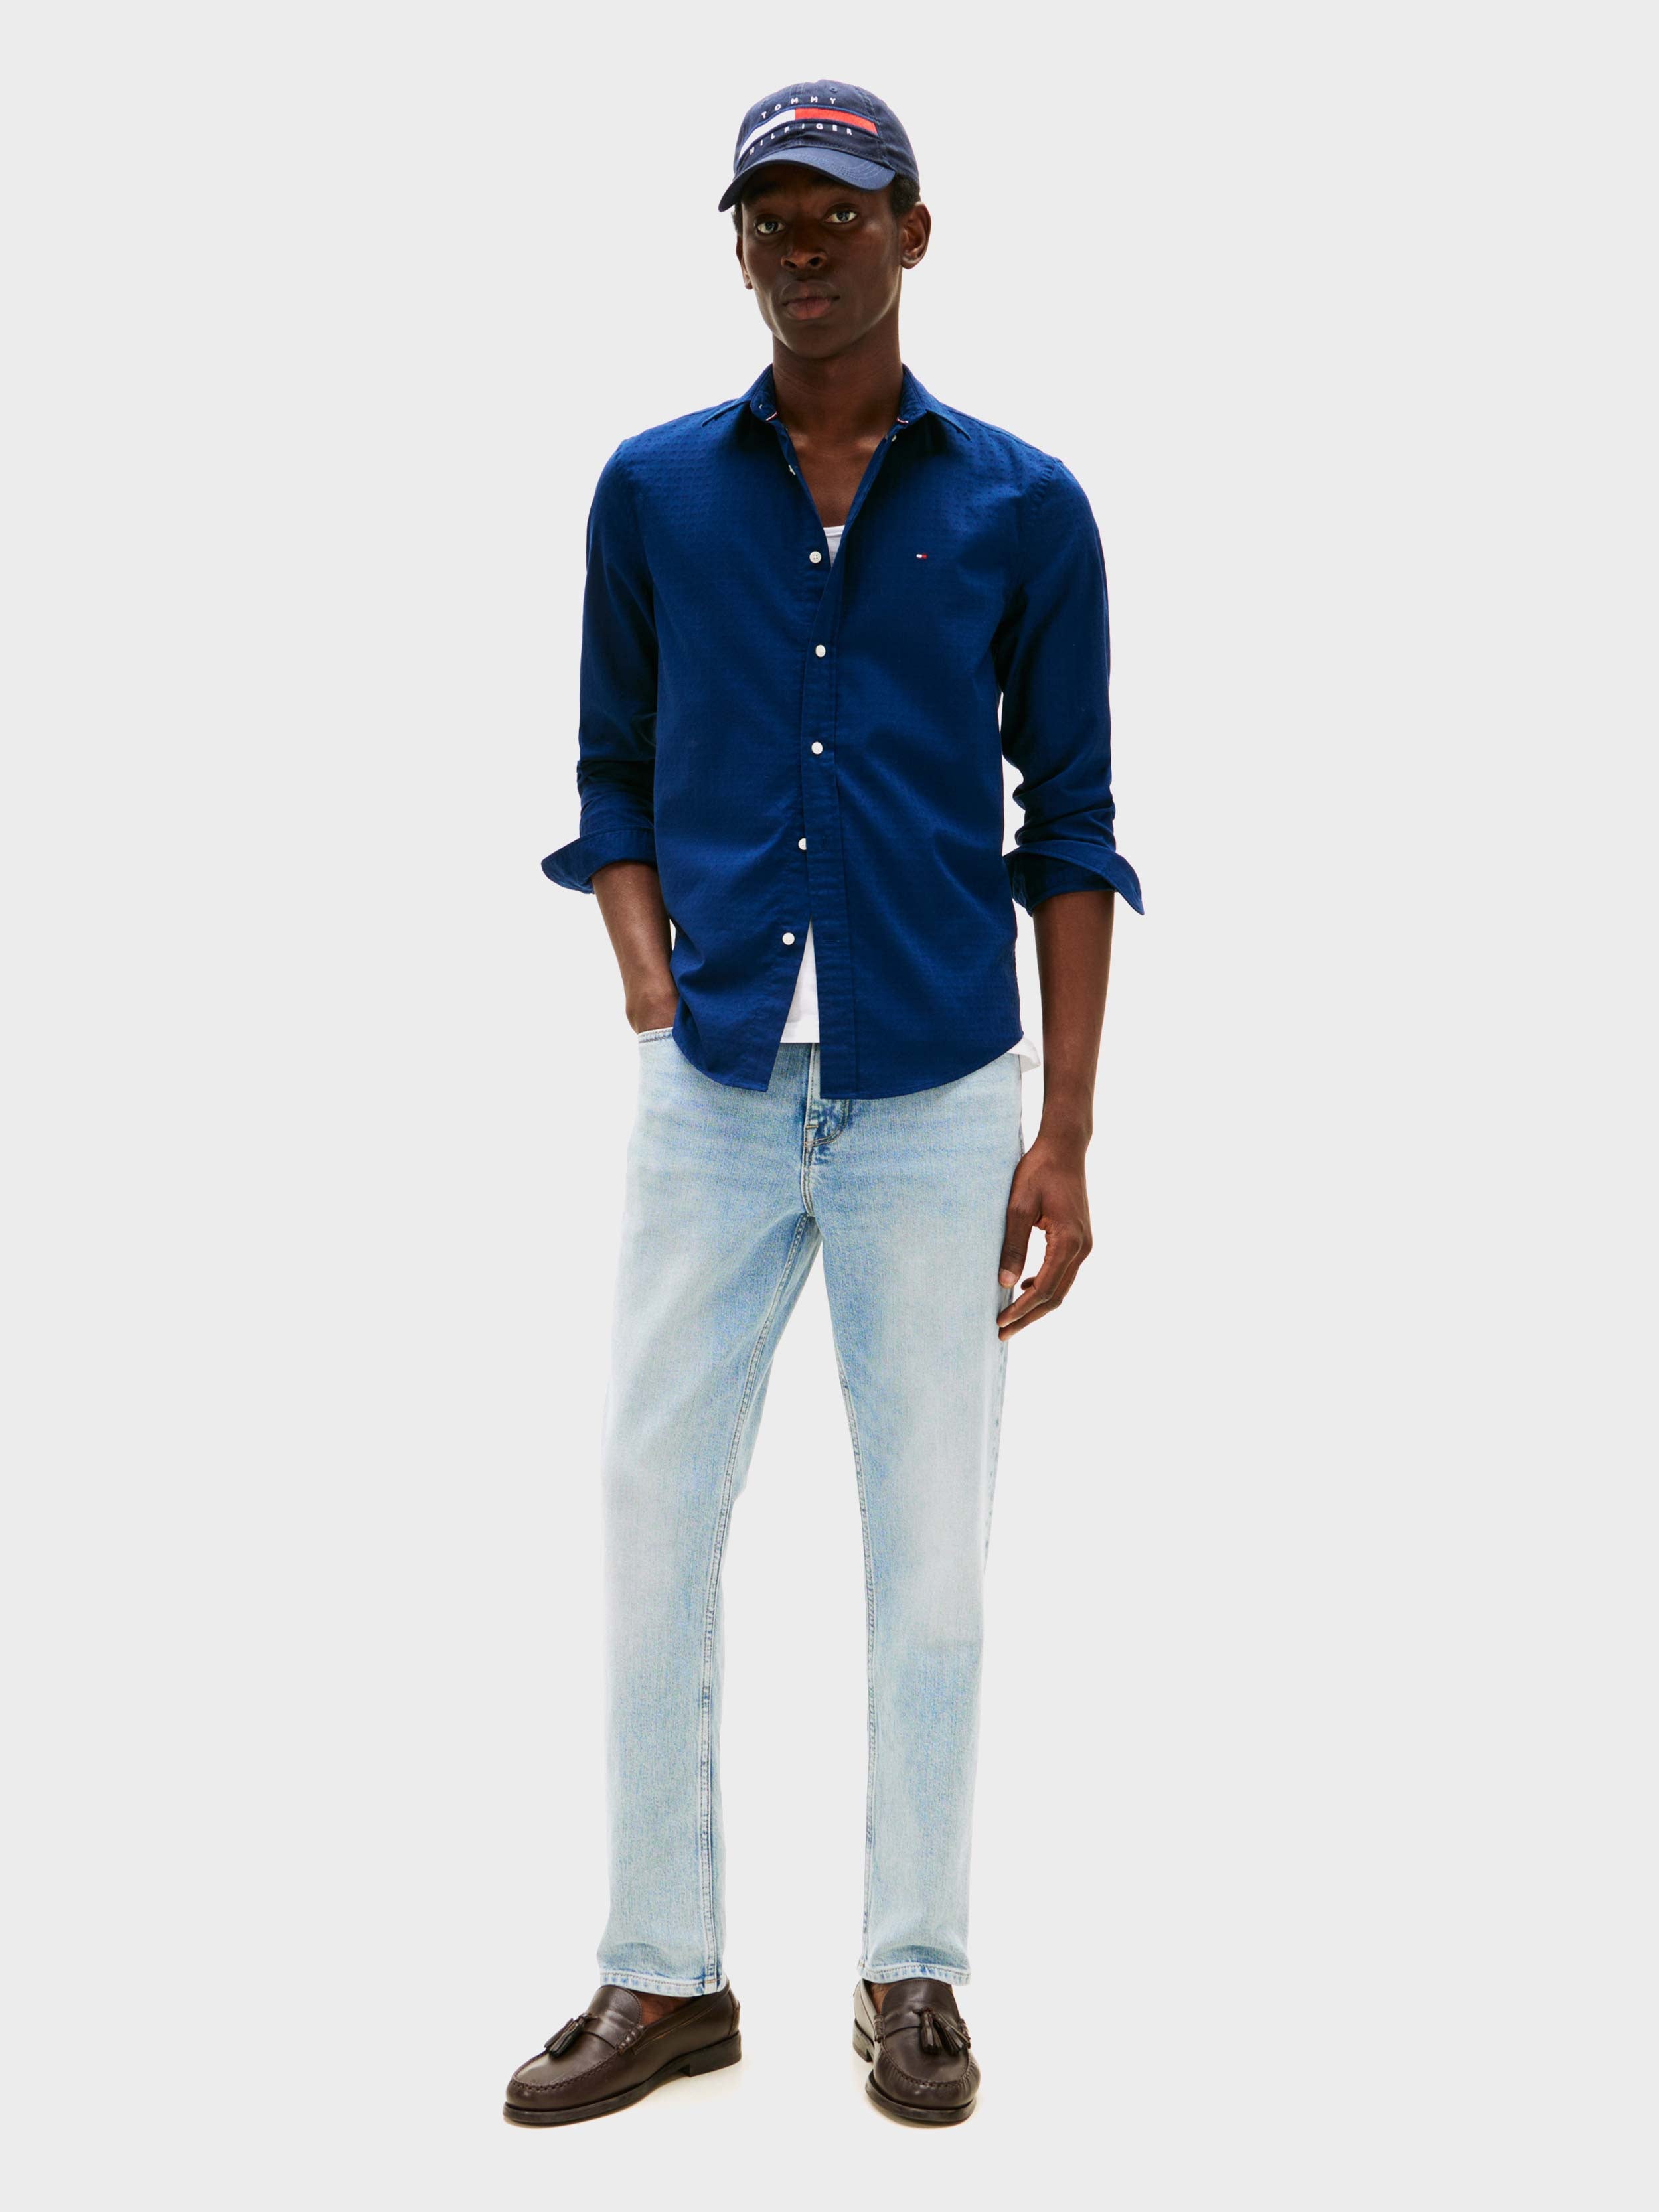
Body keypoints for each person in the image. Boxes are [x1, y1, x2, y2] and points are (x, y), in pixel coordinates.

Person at [503, 79, 1142, 2130]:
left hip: (938, 1094)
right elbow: (607, 768)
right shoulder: (652, 492)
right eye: (767, 219)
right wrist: (642, 974)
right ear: (737, 248)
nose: (800, 249)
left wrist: (1064, 1136)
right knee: (649, 1514)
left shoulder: (1025, 507)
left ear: (912, 234)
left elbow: (1073, 828)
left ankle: (911, 1971)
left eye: (837, 214)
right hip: (707, 1090)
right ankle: (662, 1976)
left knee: (931, 1551)